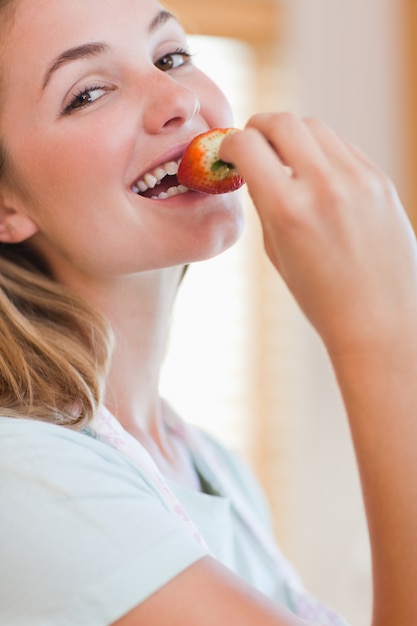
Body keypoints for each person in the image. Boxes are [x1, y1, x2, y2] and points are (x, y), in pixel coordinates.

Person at [0, 0, 416, 625]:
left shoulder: (210, 466)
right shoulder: (25, 482)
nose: (178, 99)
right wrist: (381, 333)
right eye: (88, 94)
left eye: (171, 56)